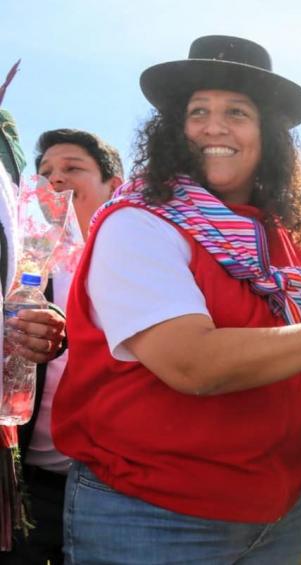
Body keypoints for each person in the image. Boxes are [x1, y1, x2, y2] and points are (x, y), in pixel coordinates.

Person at [50, 35, 301, 564]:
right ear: (175, 130)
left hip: (281, 515)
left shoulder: (290, 235)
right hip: (151, 519)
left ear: (267, 134)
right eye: (198, 110)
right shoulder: (138, 224)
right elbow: (193, 363)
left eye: (237, 112)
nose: (213, 126)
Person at [0, 129, 123, 565]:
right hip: (27, 484)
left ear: (114, 185)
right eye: (46, 172)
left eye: (73, 168)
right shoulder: (21, 269)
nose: (55, 179)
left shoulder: (138, 262)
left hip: (113, 490)